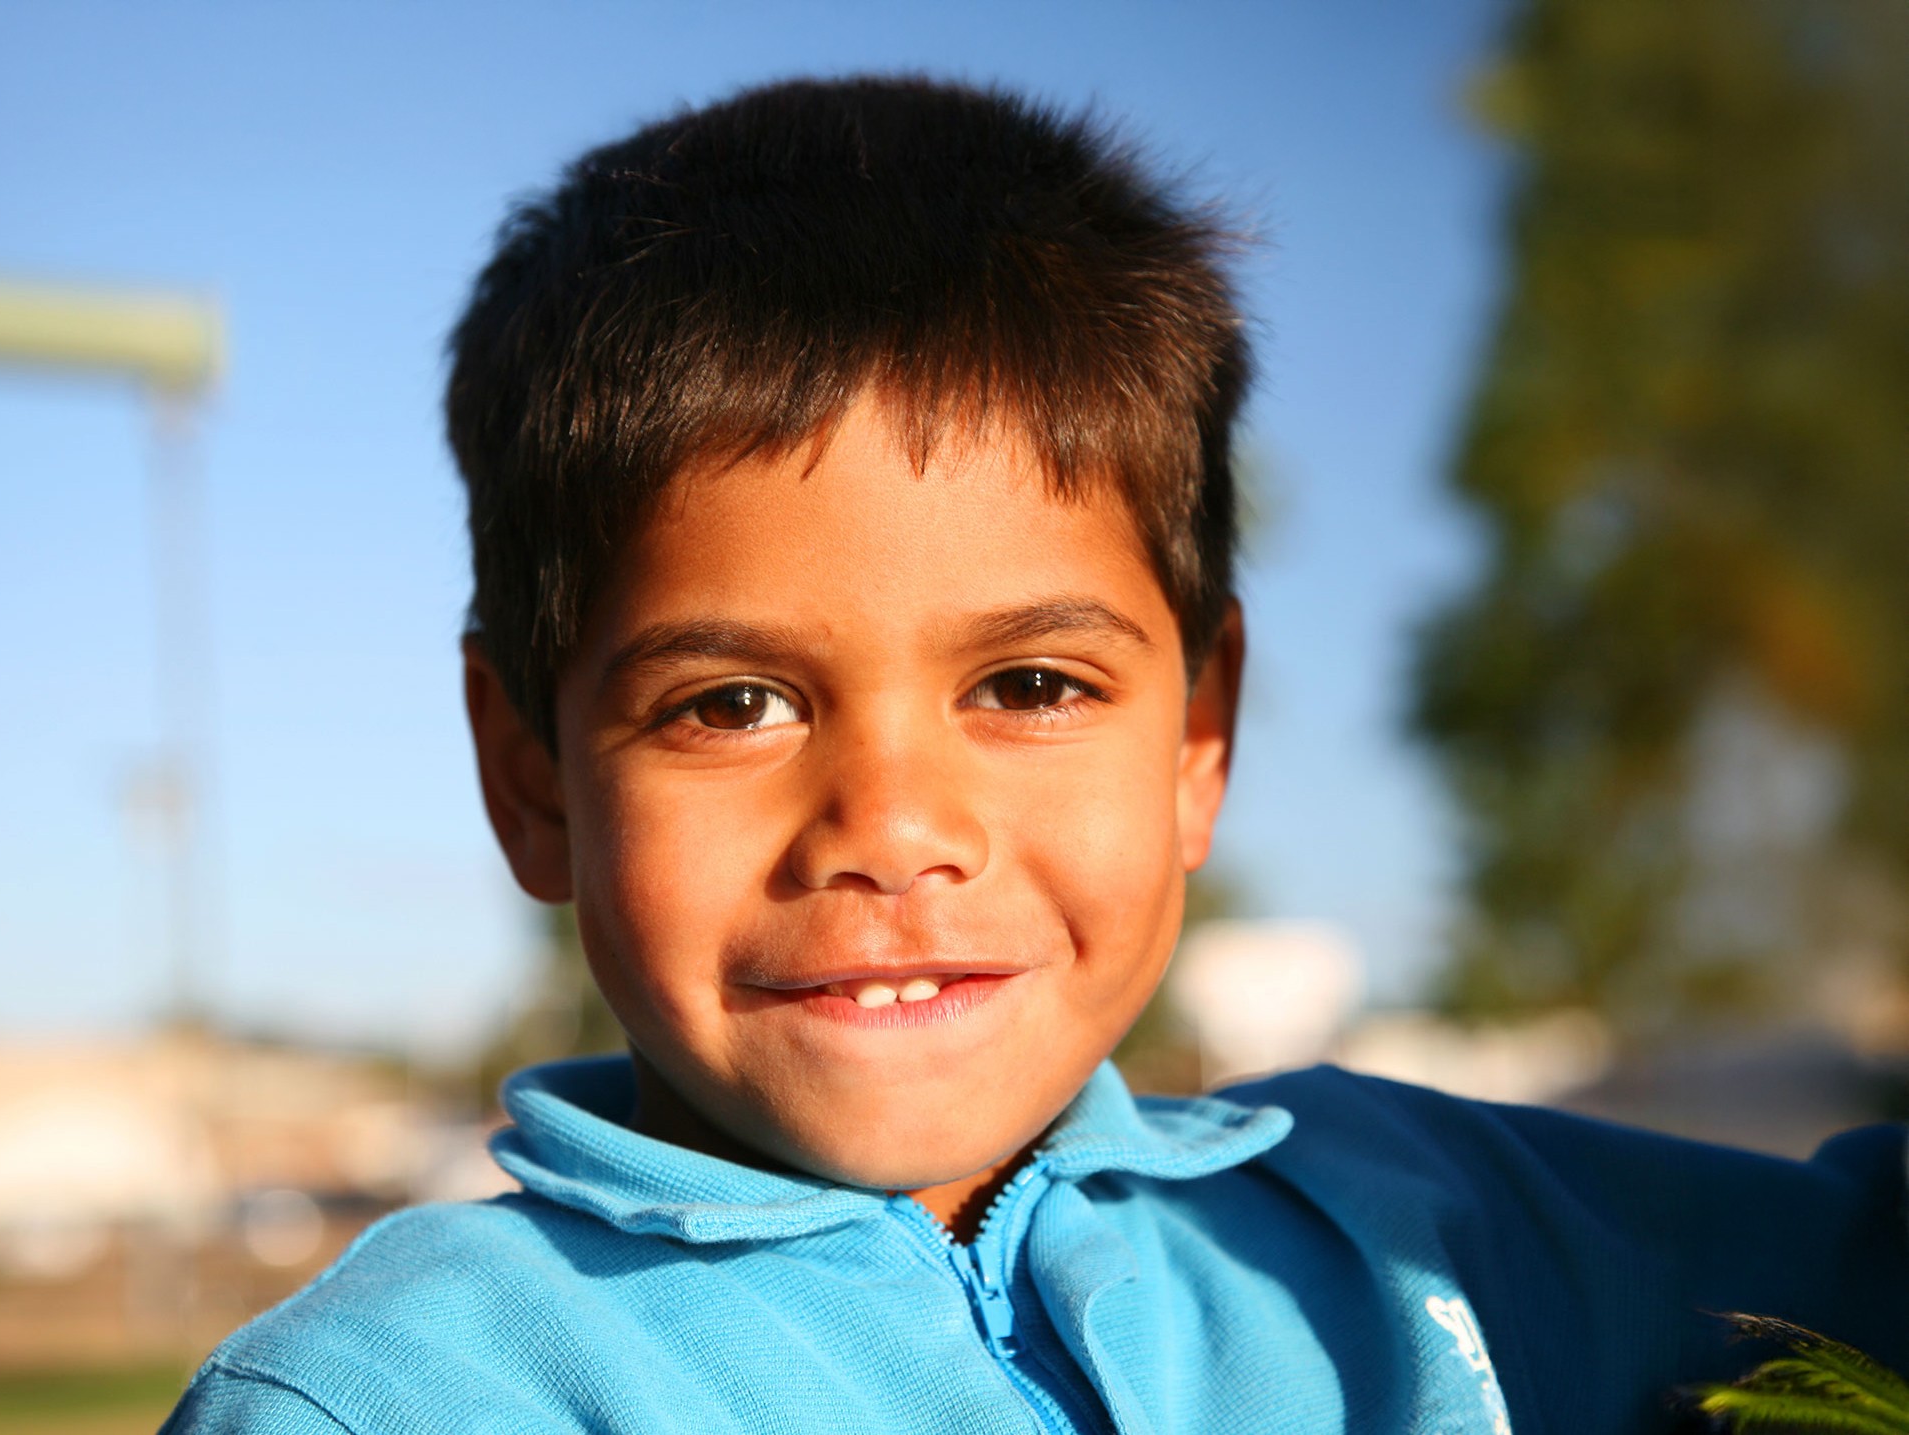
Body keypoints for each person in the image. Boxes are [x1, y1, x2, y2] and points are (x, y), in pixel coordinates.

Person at [160, 76, 1907, 1435]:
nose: (896, 830)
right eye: (732, 705)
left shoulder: (1443, 1231)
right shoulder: (409, 1396)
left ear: (1198, 739)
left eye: (1033, 687)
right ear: (532, 772)